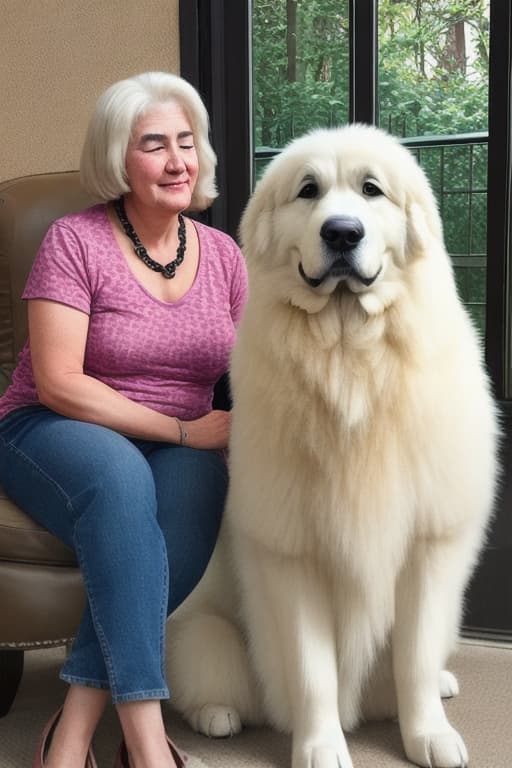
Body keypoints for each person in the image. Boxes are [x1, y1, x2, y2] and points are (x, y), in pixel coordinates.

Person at [0, 71, 248, 768]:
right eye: (153, 144)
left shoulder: (224, 256)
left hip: (180, 442)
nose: (177, 161)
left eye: (186, 142)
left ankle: (72, 728)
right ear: (118, 156)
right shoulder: (73, 241)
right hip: (51, 428)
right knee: (120, 484)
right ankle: (145, 741)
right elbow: (58, 381)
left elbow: (253, 370)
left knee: (197, 495)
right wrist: (182, 431)